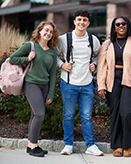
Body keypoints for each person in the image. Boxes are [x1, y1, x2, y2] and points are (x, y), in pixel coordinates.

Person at [55, 10, 104, 156]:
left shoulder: (93, 39)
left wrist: (94, 64)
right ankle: (68, 145)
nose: (81, 22)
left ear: (88, 23)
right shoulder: (65, 39)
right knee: (68, 115)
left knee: (87, 116)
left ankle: (91, 145)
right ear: (74, 21)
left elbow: (99, 56)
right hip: (69, 83)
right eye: (79, 19)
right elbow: (53, 54)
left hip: (87, 84)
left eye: (85, 20)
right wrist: (62, 65)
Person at [97, 16, 131, 157]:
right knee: (115, 114)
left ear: (128, 25)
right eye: (117, 24)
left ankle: (127, 145)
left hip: (130, 81)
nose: (120, 26)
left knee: (127, 112)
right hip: (112, 82)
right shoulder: (107, 44)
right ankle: (117, 145)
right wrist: (101, 85)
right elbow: (101, 66)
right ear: (114, 27)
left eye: (123, 24)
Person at [9, 21, 59, 157]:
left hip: (45, 85)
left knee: (34, 115)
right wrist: (27, 58)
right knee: (39, 114)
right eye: (46, 30)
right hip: (31, 83)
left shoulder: (52, 52)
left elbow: (53, 74)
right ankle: (33, 145)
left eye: (51, 32)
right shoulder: (30, 46)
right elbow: (12, 59)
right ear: (40, 31)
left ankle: (31, 145)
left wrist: (51, 93)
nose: (48, 33)